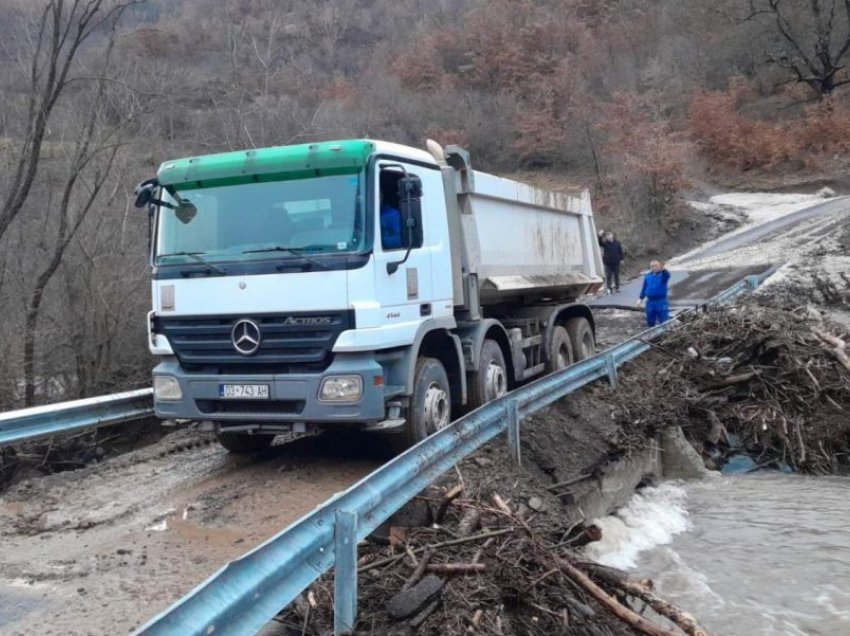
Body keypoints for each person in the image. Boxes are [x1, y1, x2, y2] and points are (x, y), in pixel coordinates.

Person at [637, 260, 671, 327]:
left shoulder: (662, 275)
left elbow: (667, 275)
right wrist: (640, 299)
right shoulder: (648, 276)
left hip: (660, 301)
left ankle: (666, 333)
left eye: (656, 266)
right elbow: (644, 288)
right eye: (652, 266)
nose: (654, 268)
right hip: (650, 302)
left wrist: (663, 270)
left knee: (663, 319)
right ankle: (651, 332)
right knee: (650, 318)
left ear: (659, 266)